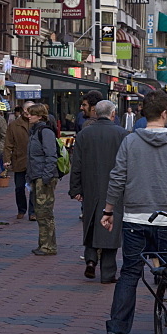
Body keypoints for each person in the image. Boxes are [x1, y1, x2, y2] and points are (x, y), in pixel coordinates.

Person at [101, 90, 167, 334]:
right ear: (166, 113)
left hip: (134, 218)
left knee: (130, 273)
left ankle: (118, 328)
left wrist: (109, 210)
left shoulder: (130, 141)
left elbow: (117, 176)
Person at [69, 100, 127, 283]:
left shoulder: (85, 134)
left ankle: (91, 259)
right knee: (111, 226)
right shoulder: (123, 134)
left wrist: (75, 188)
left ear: (95, 113)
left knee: (92, 222)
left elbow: (76, 163)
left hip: (90, 185)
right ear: (113, 114)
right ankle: (108, 272)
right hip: (115, 188)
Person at [27, 103, 60, 255]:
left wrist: (46, 177)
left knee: (45, 212)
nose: (29, 116)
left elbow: (51, 156)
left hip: (43, 177)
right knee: (40, 212)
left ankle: (49, 246)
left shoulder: (44, 132)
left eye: (32, 114)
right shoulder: (35, 131)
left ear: (40, 116)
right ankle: (43, 244)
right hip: (37, 176)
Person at [4, 101, 35, 220]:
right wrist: (7, 159)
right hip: (19, 159)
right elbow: (8, 144)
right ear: (23, 110)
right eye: (27, 110)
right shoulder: (14, 125)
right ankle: (21, 209)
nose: (28, 113)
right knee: (19, 187)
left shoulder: (37, 123)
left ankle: (32, 212)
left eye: (31, 110)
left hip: (33, 162)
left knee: (33, 188)